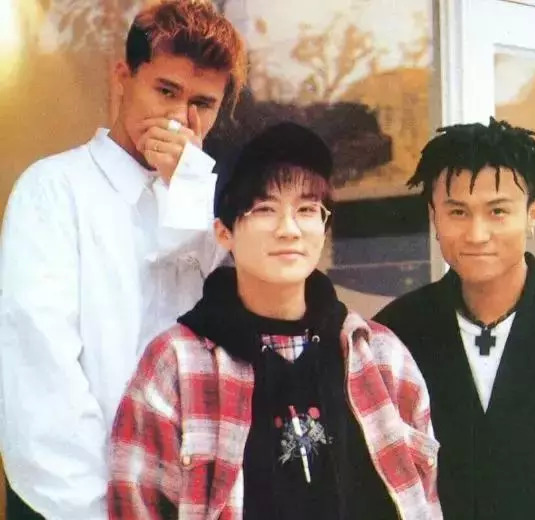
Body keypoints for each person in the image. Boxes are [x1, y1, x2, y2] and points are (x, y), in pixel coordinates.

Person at [108, 122, 443, 520]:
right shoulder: (176, 364)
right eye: (265, 209)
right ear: (224, 232)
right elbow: (134, 506)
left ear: (324, 228)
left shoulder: (381, 356)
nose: (289, 229)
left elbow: (423, 502)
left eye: (306, 210)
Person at [0, 1, 246, 518]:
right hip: (74, 502)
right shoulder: (54, 189)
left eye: (202, 103)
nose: (180, 118)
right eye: (165, 91)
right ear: (122, 78)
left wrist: (189, 187)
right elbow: (40, 366)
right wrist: (99, 506)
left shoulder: (216, 207)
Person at [374, 118, 535, 520]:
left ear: (533, 214)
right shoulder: (395, 334)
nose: (477, 234)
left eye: (498, 211)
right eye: (458, 212)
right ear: (434, 216)